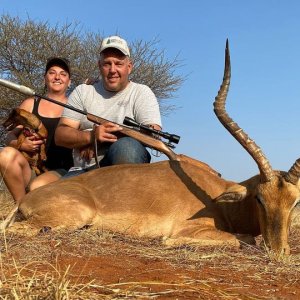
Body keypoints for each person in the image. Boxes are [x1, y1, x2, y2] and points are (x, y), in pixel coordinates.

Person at [55, 35, 162, 176]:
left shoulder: (141, 92)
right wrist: (91, 137)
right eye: (107, 64)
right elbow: (61, 135)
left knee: (127, 148)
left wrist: (104, 141)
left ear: (129, 67)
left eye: (118, 64)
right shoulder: (83, 91)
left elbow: (153, 133)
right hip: (84, 171)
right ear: (99, 66)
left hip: (122, 167)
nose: (112, 70)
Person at [0, 57, 74, 204]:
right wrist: (21, 145)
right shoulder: (30, 103)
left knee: (37, 188)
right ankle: (19, 207)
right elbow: (10, 136)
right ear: (44, 79)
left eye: (63, 74)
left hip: (61, 172)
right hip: (31, 170)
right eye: (52, 73)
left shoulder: (74, 107)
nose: (57, 77)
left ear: (69, 82)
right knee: (5, 155)